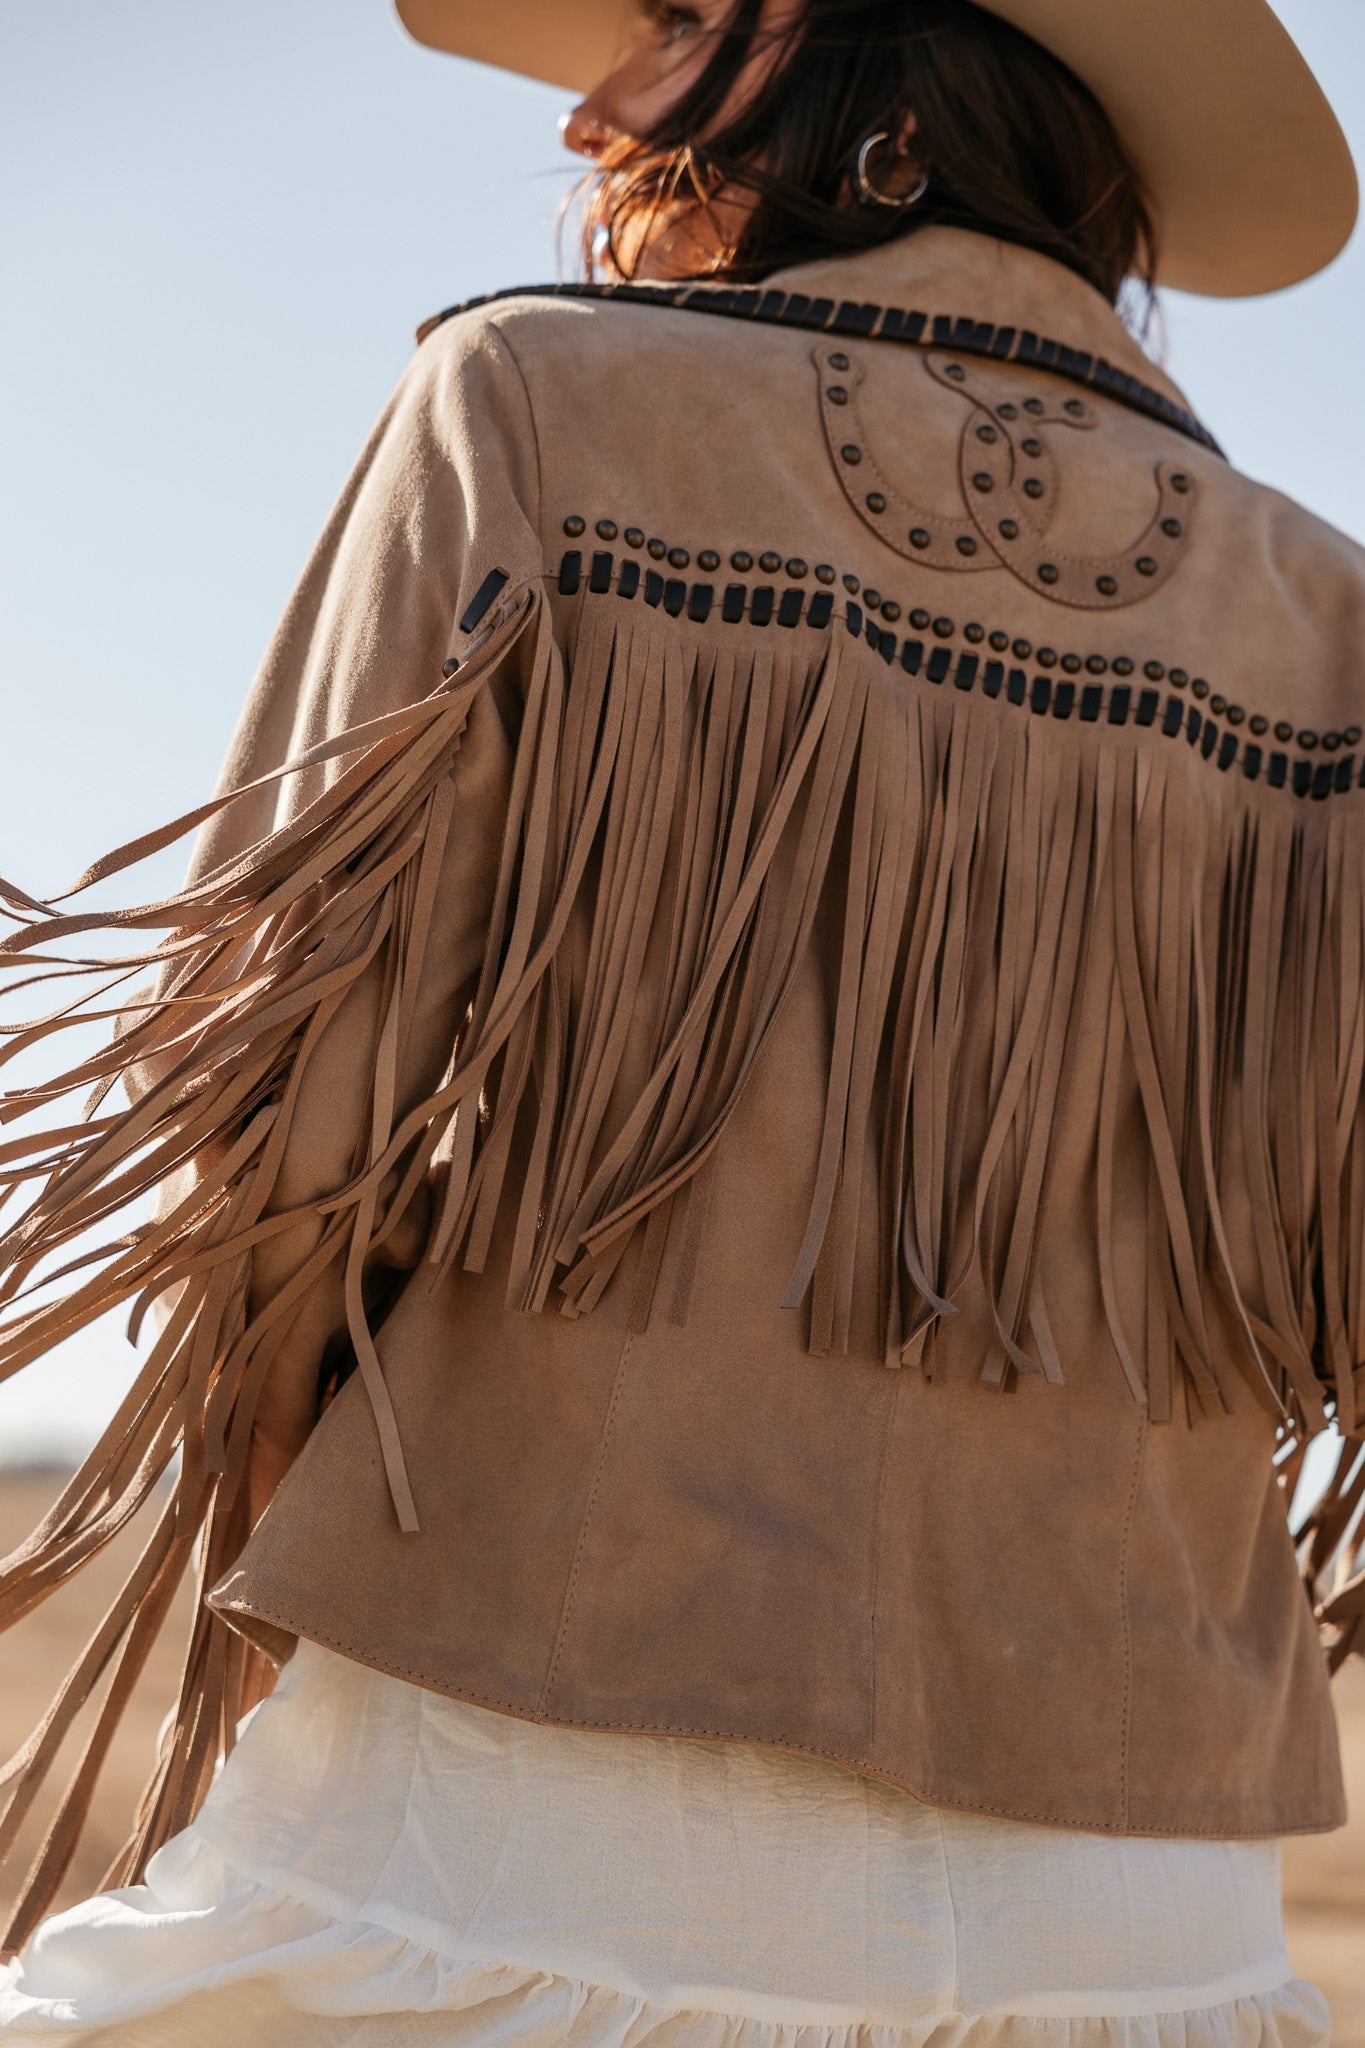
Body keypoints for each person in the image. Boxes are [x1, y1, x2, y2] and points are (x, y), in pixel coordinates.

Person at [0, 0, 1362, 2039]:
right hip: (1141, 1900)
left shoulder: (536, 396)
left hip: (525, 1772)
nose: (591, 106)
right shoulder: (1321, 620)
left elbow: (282, 1077)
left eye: (681, 27)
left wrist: (266, 1490)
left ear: (871, 111)